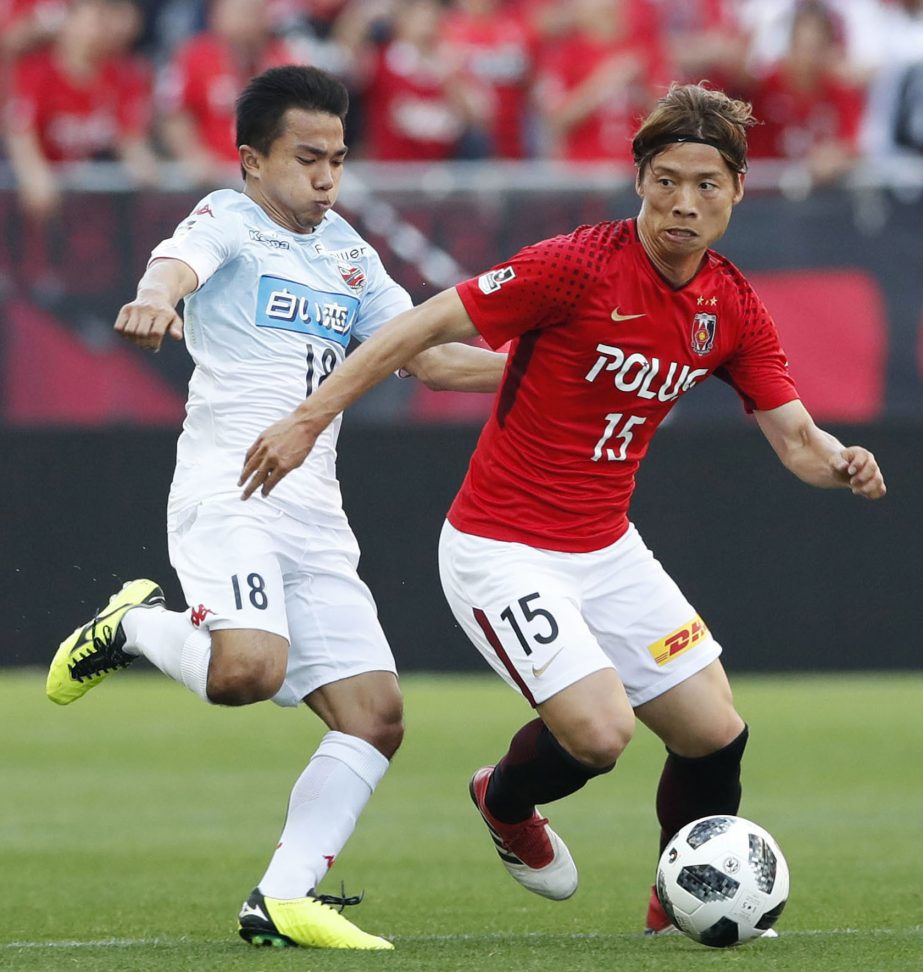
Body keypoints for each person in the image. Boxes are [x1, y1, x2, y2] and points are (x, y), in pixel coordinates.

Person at [235, 82, 887, 934]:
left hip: (606, 548)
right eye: (664, 181)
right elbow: (416, 331)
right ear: (638, 181)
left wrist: (842, 462)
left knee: (716, 734)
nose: (682, 204)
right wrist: (306, 419)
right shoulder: (576, 264)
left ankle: (677, 901)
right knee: (601, 735)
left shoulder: (729, 305)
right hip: (499, 548)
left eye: (705, 185)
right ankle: (502, 800)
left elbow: (797, 440)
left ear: (735, 191)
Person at [46, 64, 505, 951]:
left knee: (376, 716)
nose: (326, 179)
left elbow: (427, 359)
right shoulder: (228, 219)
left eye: (337, 159)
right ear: (253, 161)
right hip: (231, 489)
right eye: (307, 159)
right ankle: (136, 626)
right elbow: (171, 269)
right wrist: (152, 301)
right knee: (247, 672)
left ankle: (284, 897)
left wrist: (548, 369)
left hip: (315, 512)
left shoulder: (351, 255)